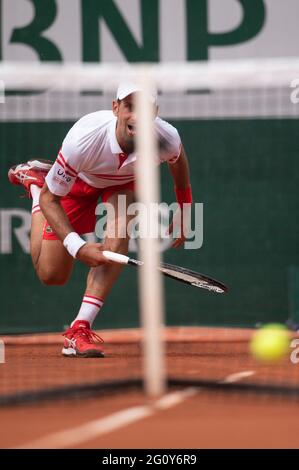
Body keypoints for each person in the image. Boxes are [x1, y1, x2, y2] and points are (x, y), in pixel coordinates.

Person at [8, 82, 192, 358]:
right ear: (116, 108)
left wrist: (184, 208)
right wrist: (77, 247)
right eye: (130, 107)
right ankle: (36, 183)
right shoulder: (83, 140)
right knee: (52, 275)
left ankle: (79, 328)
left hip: (124, 182)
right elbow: (52, 200)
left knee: (119, 235)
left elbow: (178, 161)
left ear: (155, 111)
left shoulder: (166, 138)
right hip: (77, 183)